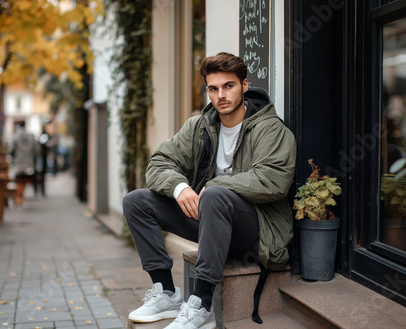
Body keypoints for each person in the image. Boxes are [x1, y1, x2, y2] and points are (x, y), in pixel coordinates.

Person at [123, 52, 296, 329]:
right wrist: (180, 188)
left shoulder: (269, 129)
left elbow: (272, 180)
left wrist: (214, 184)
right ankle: (166, 292)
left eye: (229, 86)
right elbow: (159, 163)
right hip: (213, 221)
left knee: (215, 194)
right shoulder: (199, 126)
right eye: (213, 89)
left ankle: (201, 304)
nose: (221, 95)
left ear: (245, 85)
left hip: (260, 233)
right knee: (136, 201)